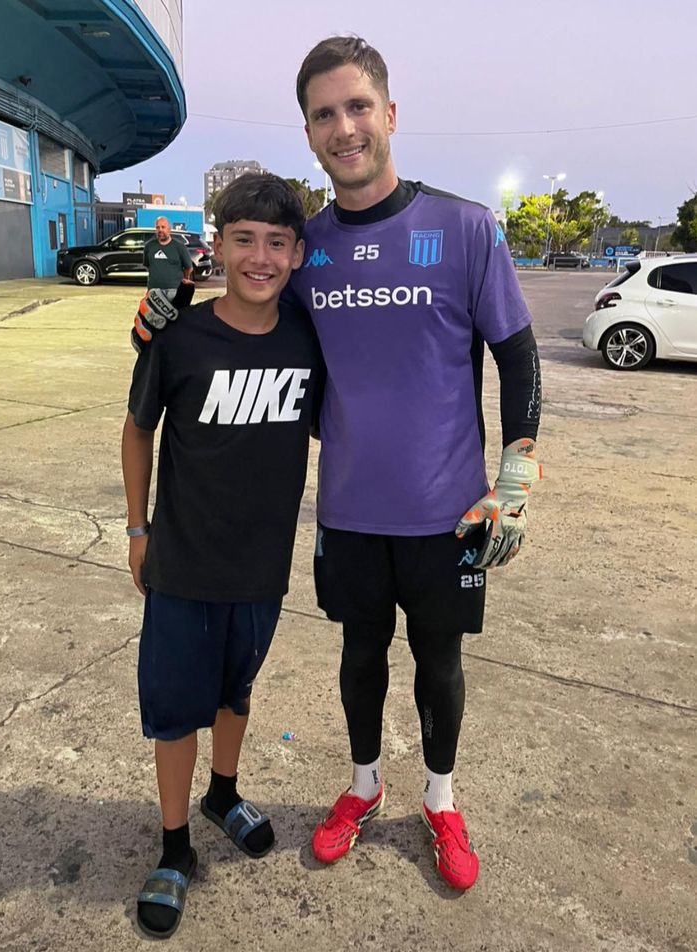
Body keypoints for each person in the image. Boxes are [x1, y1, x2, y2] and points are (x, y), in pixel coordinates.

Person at [134, 35, 542, 893]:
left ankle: (440, 801)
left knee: (441, 661)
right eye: (325, 114)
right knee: (361, 654)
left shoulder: (465, 228)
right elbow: (229, 314)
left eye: (358, 107)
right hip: (350, 511)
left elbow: (519, 354)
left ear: (389, 115)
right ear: (310, 133)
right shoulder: (303, 245)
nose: (344, 127)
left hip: (453, 514)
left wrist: (518, 472)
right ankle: (362, 789)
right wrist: (155, 310)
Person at [122, 173, 322, 938]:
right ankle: (174, 848)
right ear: (221, 244)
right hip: (182, 561)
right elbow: (137, 430)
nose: (261, 257)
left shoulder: (309, 339)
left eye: (277, 243)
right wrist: (138, 530)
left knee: (236, 689)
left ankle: (223, 793)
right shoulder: (177, 339)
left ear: (297, 254)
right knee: (176, 710)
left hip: (262, 564)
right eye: (245, 240)